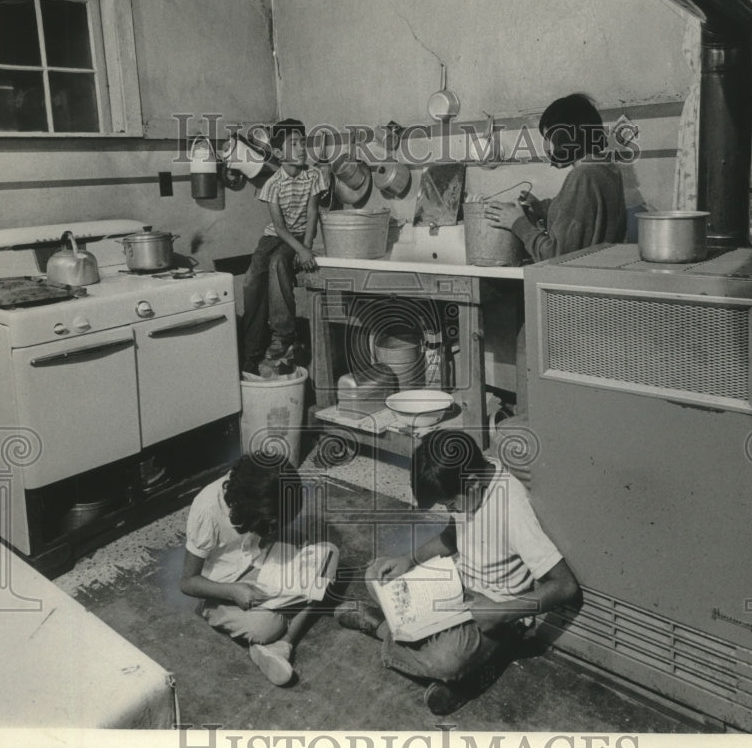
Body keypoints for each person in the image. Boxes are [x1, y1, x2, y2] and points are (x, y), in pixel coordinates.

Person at [334, 430, 581, 715]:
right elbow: (453, 535)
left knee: (445, 660)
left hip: (495, 615)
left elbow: (565, 586)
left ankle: (382, 629)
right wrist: (409, 559)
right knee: (376, 576)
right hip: (455, 588)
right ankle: (461, 667)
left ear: (473, 484)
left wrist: (502, 612)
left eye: (450, 504)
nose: (450, 510)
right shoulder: (467, 477)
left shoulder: (512, 507)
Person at [180, 454, 337, 686]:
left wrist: (285, 540)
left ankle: (282, 644)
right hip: (226, 586)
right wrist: (233, 592)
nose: (275, 527)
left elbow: (267, 533)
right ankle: (283, 630)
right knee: (265, 626)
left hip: (262, 560)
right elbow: (187, 582)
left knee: (329, 553)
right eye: (273, 523)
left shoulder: (261, 492)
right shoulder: (207, 510)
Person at [485, 93, 627, 259]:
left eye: (548, 137)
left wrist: (518, 224)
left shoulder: (583, 176)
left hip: (571, 281)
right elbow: (582, 214)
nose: (546, 147)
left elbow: (556, 255)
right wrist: (541, 208)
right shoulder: (607, 170)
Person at [240, 118, 328, 374]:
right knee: (252, 280)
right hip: (276, 237)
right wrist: (299, 249)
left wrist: (306, 246)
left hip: (300, 236)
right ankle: (252, 351)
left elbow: (313, 214)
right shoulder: (272, 184)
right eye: (294, 144)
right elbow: (278, 228)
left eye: (303, 142)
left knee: (279, 263)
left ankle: (283, 337)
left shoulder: (313, 176)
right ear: (278, 153)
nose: (301, 148)